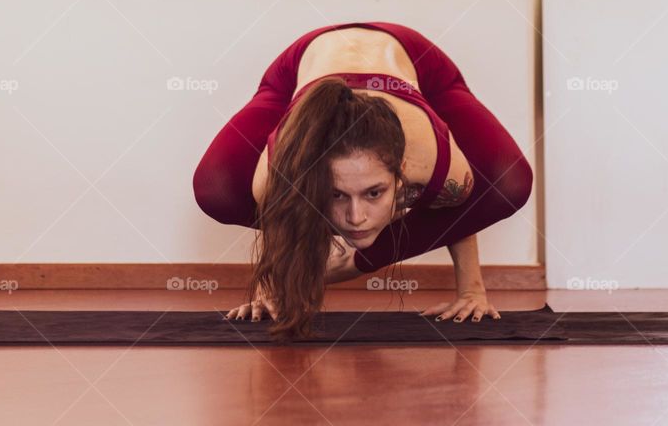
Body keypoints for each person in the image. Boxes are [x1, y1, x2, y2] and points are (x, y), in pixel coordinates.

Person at [192, 21, 534, 342]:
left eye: (374, 192)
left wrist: (471, 292)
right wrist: (269, 290)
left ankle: (352, 256)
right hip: (304, 61)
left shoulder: (430, 160)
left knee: (511, 184)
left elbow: (460, 209)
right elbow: (281, 215)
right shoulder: (279, 171)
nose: (356, 217)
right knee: (216, 190)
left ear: (402, 175)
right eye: (337, 195)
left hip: (416, 58)